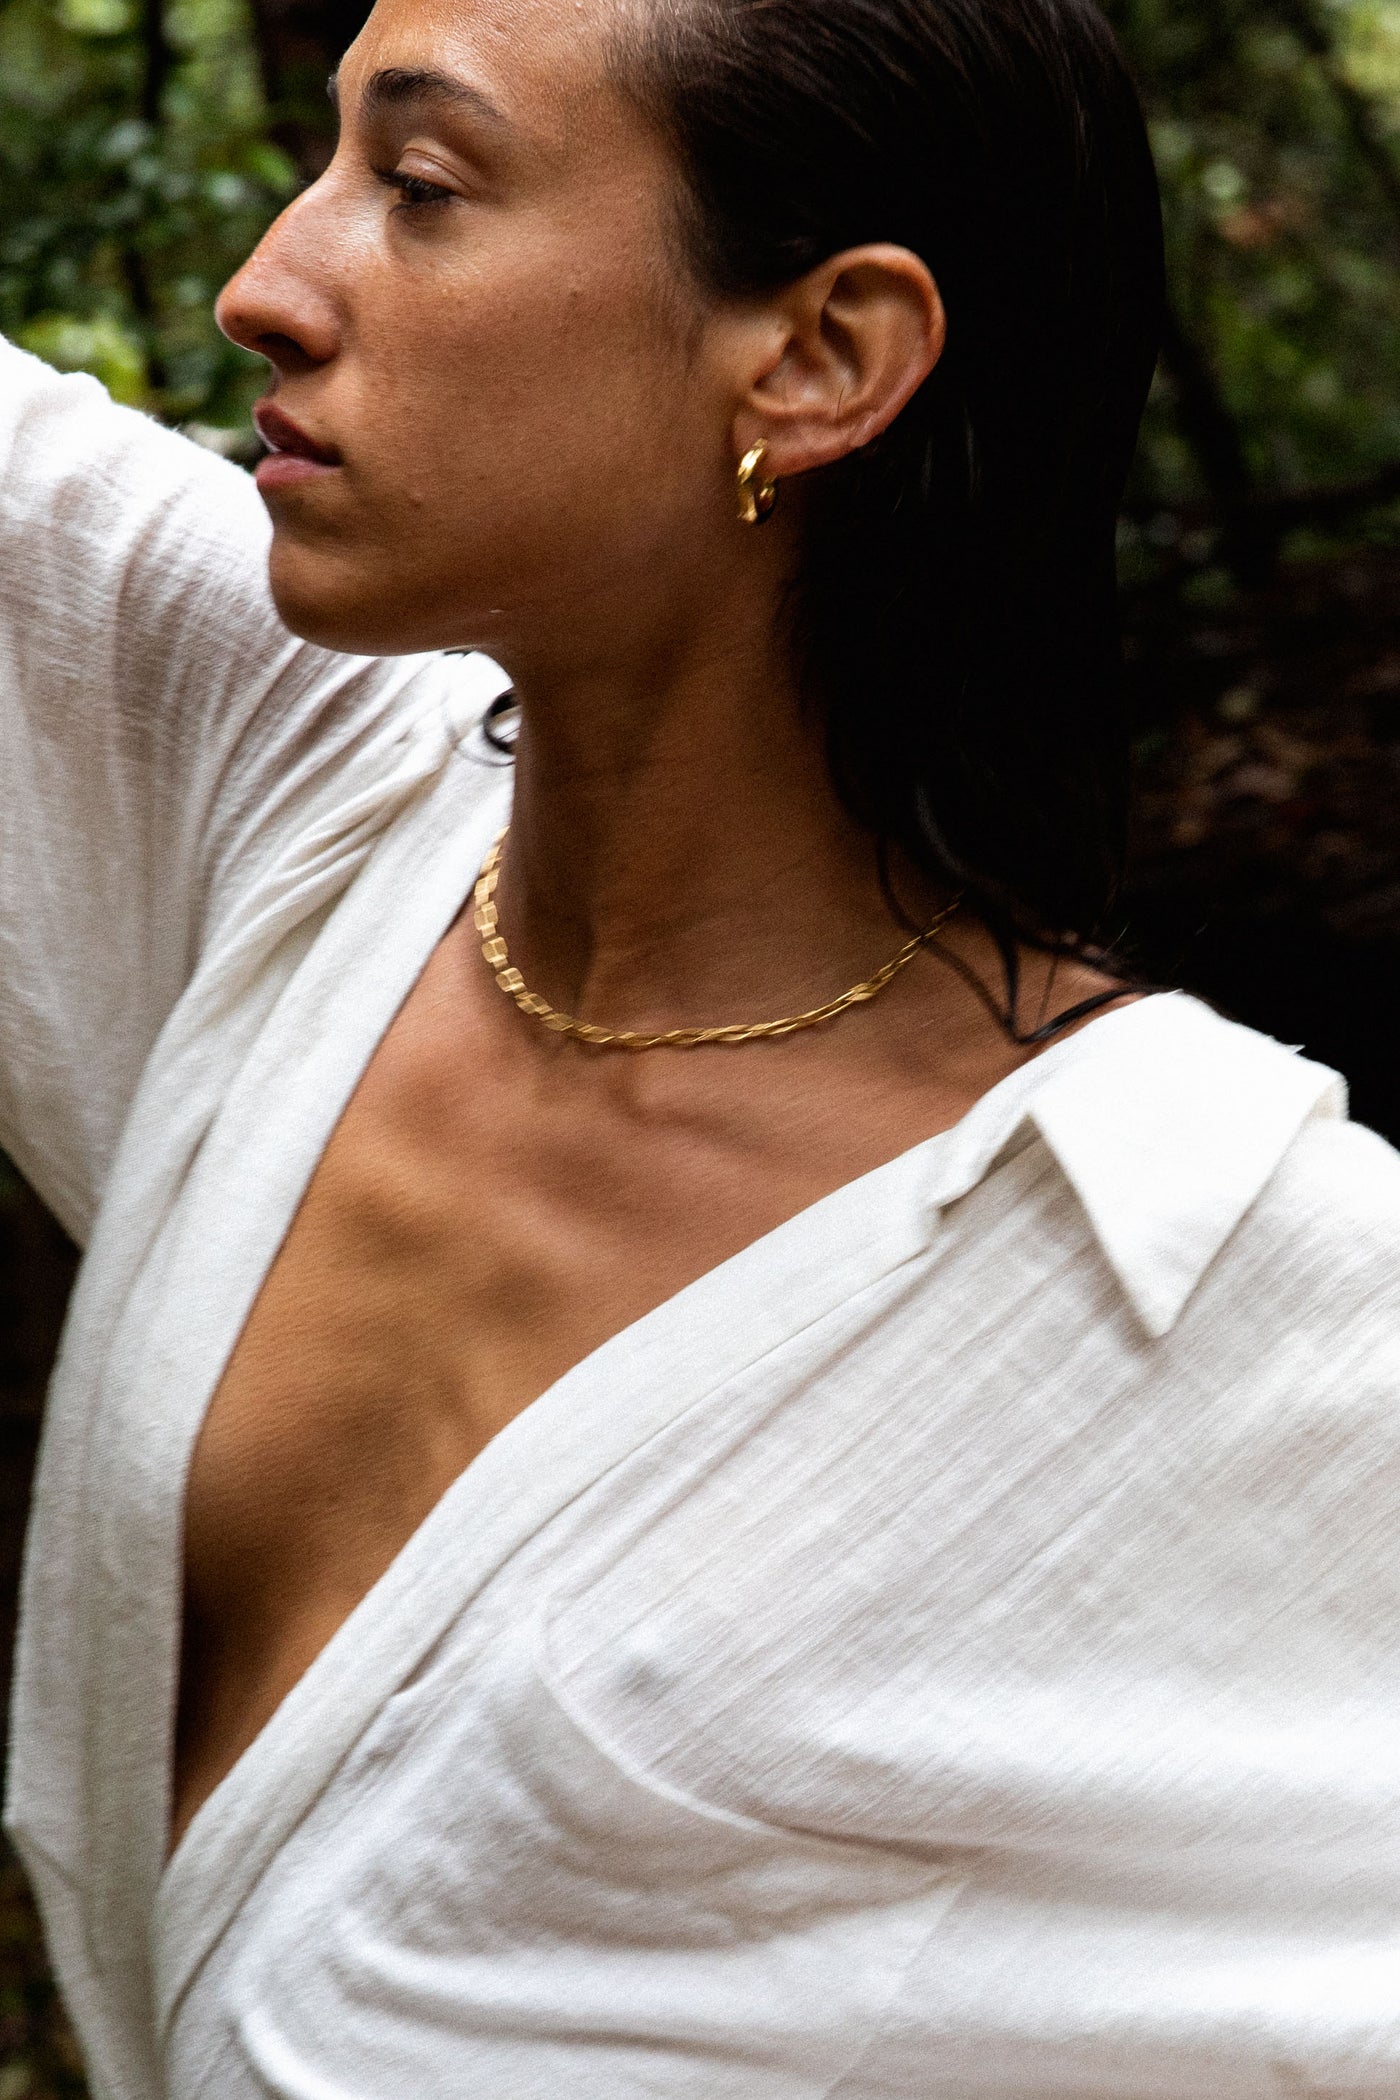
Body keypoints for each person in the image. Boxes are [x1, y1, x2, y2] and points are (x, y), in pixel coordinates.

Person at [2, 0, 1399, 2087]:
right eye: (330, 159)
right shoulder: (308, 813)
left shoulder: (1198, 1263)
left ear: (820, 355)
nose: (268, 283)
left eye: (421, 184)